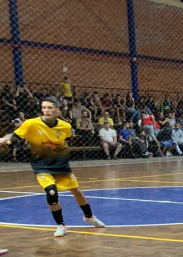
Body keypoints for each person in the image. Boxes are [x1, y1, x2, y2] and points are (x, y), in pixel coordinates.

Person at [0, 96, 105, 237]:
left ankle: (89, 217)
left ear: (57, 109)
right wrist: (6, 138)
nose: (46, 110)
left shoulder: (65, 126)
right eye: (44, 108)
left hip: (61, 165)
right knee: (51, 193)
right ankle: (61, 225)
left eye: (49, 108)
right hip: (41, 166)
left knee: (77, 191)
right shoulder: (31, 124)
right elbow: (12, 134)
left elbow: (63, 142)